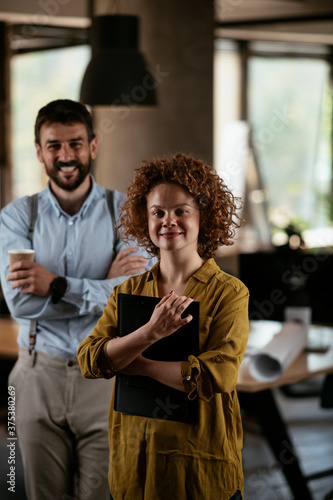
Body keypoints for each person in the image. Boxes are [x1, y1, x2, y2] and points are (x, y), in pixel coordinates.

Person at [0, 99, 156, 500]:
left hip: (107, 375)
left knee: (103, 495)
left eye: (75, 143)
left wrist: (55, 284)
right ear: (39, 151)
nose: (66, 156)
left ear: (93, 146)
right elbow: (20, 306)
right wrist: (104, 284)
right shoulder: (16, 218)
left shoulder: (128, 214)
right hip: (34, 378)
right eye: (54, 146)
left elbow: (136, 299)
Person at [77, 153, 250, 500]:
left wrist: (135, 362)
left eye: (181, 211)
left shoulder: (229, 293)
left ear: (205, 215)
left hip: (200, 472)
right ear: (146, 218)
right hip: (133, 470)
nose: (168, 221)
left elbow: (218, 376)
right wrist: (149, 333)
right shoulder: (126, 290)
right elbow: (90, 360)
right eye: (158, 212)